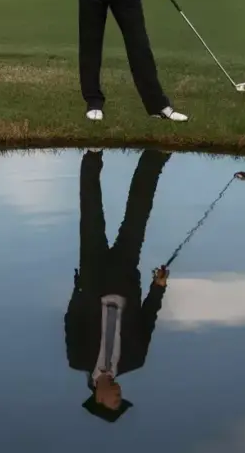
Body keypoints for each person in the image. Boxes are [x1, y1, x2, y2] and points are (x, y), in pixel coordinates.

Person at [64, 148, 171, 423]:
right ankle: (155, 157)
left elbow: (71, 320)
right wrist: (158, 288)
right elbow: (148, 320)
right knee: (138, 215)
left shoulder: (77, 359)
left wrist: (81, 290)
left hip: (93, 276)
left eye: (115, 400)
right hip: (125, 278)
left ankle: (93, 155)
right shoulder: (135, 360)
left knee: (91, 213)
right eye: (120, 399)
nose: (119, 395)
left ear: (98, 398)